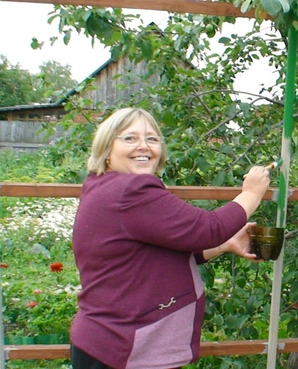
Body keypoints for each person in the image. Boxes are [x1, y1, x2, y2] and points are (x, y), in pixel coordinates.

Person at [69, 107, 270, 369]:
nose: (144, 146)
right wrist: (252, 193)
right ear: (107, 149)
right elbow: (208, 228)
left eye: (152, 139)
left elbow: (155, 251)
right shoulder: (131, 190)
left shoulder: (104, 185)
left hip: (105, 342)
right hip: (124, 349)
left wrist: (224, 245)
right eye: (130, 138)